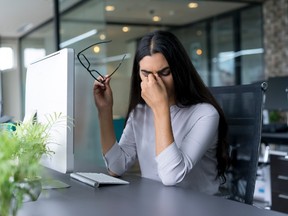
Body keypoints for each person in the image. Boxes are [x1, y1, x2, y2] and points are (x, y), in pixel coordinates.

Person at [93, 30, 229, 194]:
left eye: (164, 73)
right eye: (146, 73)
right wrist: (104, 110)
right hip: (156, 204)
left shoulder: (205, 114)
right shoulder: (140, 112)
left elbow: (172, 176)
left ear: (179, 71)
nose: (154, 81)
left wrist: (160, 108)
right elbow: (116, 167)